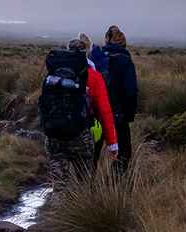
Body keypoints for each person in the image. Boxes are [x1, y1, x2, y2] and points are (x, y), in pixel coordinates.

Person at [39, 35, 118, 188]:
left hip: (54, 136)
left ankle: (59, 209)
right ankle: (80, 210)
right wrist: (112, 143)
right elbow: (105, 111)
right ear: (86, 53)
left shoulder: (53, 75)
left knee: (59, 185)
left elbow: (44, 104)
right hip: (81, 137)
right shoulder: (94, 76)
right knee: (84, 183)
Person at [101, 25, 138, 173]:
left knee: (94, 152)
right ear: (124, 42)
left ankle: (87, 184)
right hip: (118, 114)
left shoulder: (97, 58)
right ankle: (116, 184)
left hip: (96, 113)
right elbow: (131, 91)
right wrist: (129, 115)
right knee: (124, 152)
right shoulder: (125, 61)